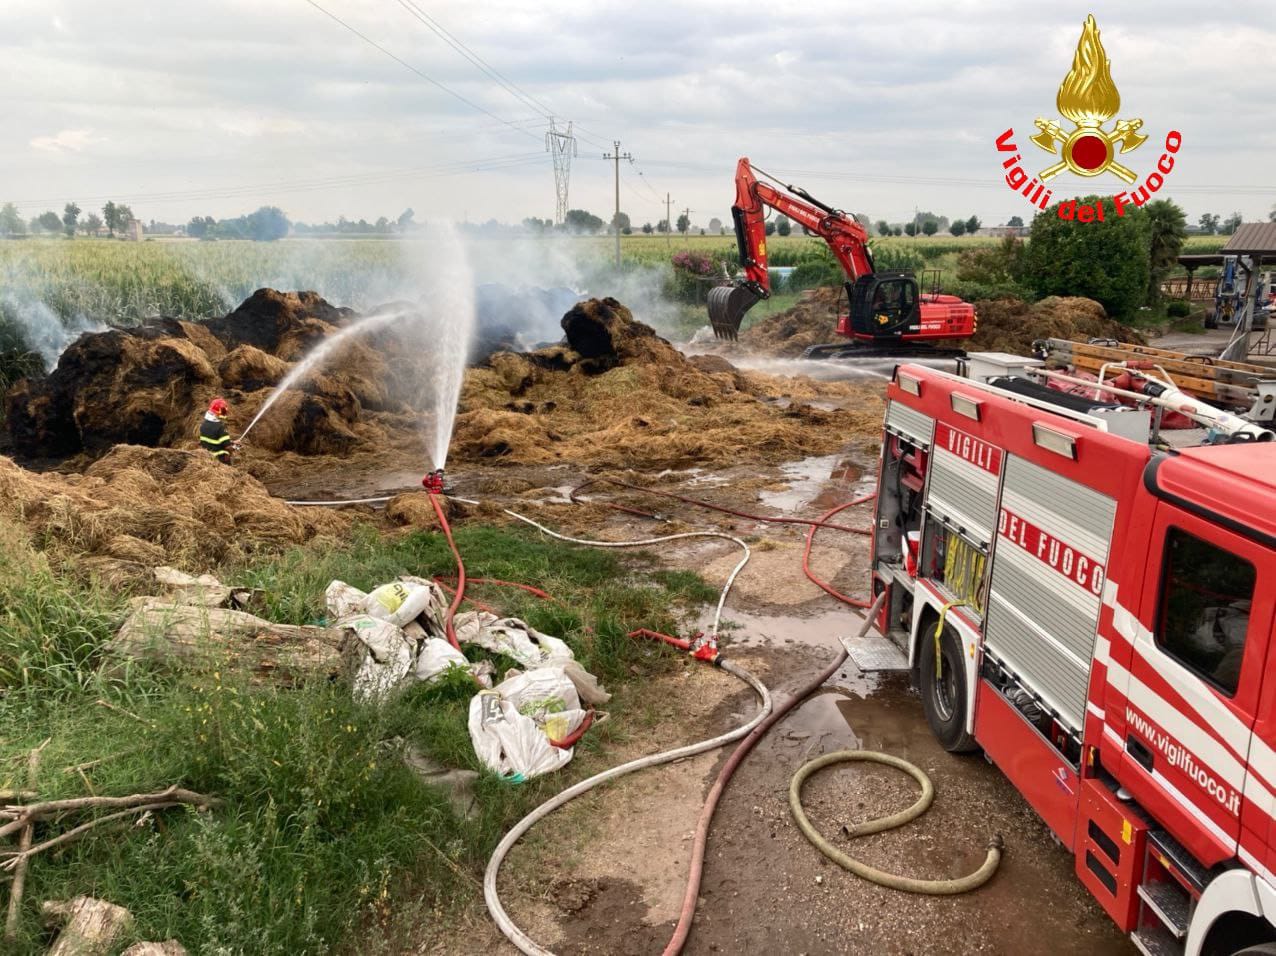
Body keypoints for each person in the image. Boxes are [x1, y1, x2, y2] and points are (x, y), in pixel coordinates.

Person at [199, 397, 238, 464]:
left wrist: (231, 442)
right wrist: (236, 447)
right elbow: (228, 448)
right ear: (218, 412)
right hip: (220, 459)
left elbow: (214, 439)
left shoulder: (204, 424)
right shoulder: (220, 427)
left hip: (207, 457)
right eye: (223, 411)